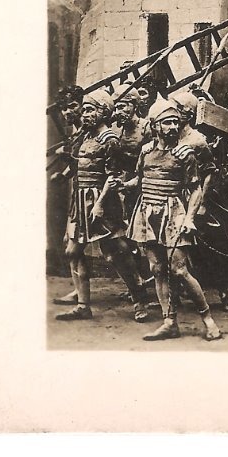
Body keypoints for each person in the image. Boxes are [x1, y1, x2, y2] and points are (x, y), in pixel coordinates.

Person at [124, 99, 222, 341]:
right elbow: (140, 179)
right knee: (157, 269)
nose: (172, 127)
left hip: (173, 212)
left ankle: (208, 320)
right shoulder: (146, 151)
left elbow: (196, 189)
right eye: (166, 122)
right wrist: (124, 185)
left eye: (175, 123)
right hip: (147, 212)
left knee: (179, 271)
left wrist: (189, 218)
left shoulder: (185, 153)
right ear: (155, 126)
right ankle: (170, 322)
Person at [52, 89, 152, 323]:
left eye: (90, 110)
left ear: (103, 112)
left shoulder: (110, 140)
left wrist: (98, 204)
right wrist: (66, 170)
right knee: (72, 251)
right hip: (81, 200)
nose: (85, 114)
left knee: (116, 253)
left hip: (103, 201)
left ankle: (140, 299)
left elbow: (113, 176)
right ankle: (83, 305)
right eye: (84, 109)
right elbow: (81, 163)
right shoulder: (84, 137)